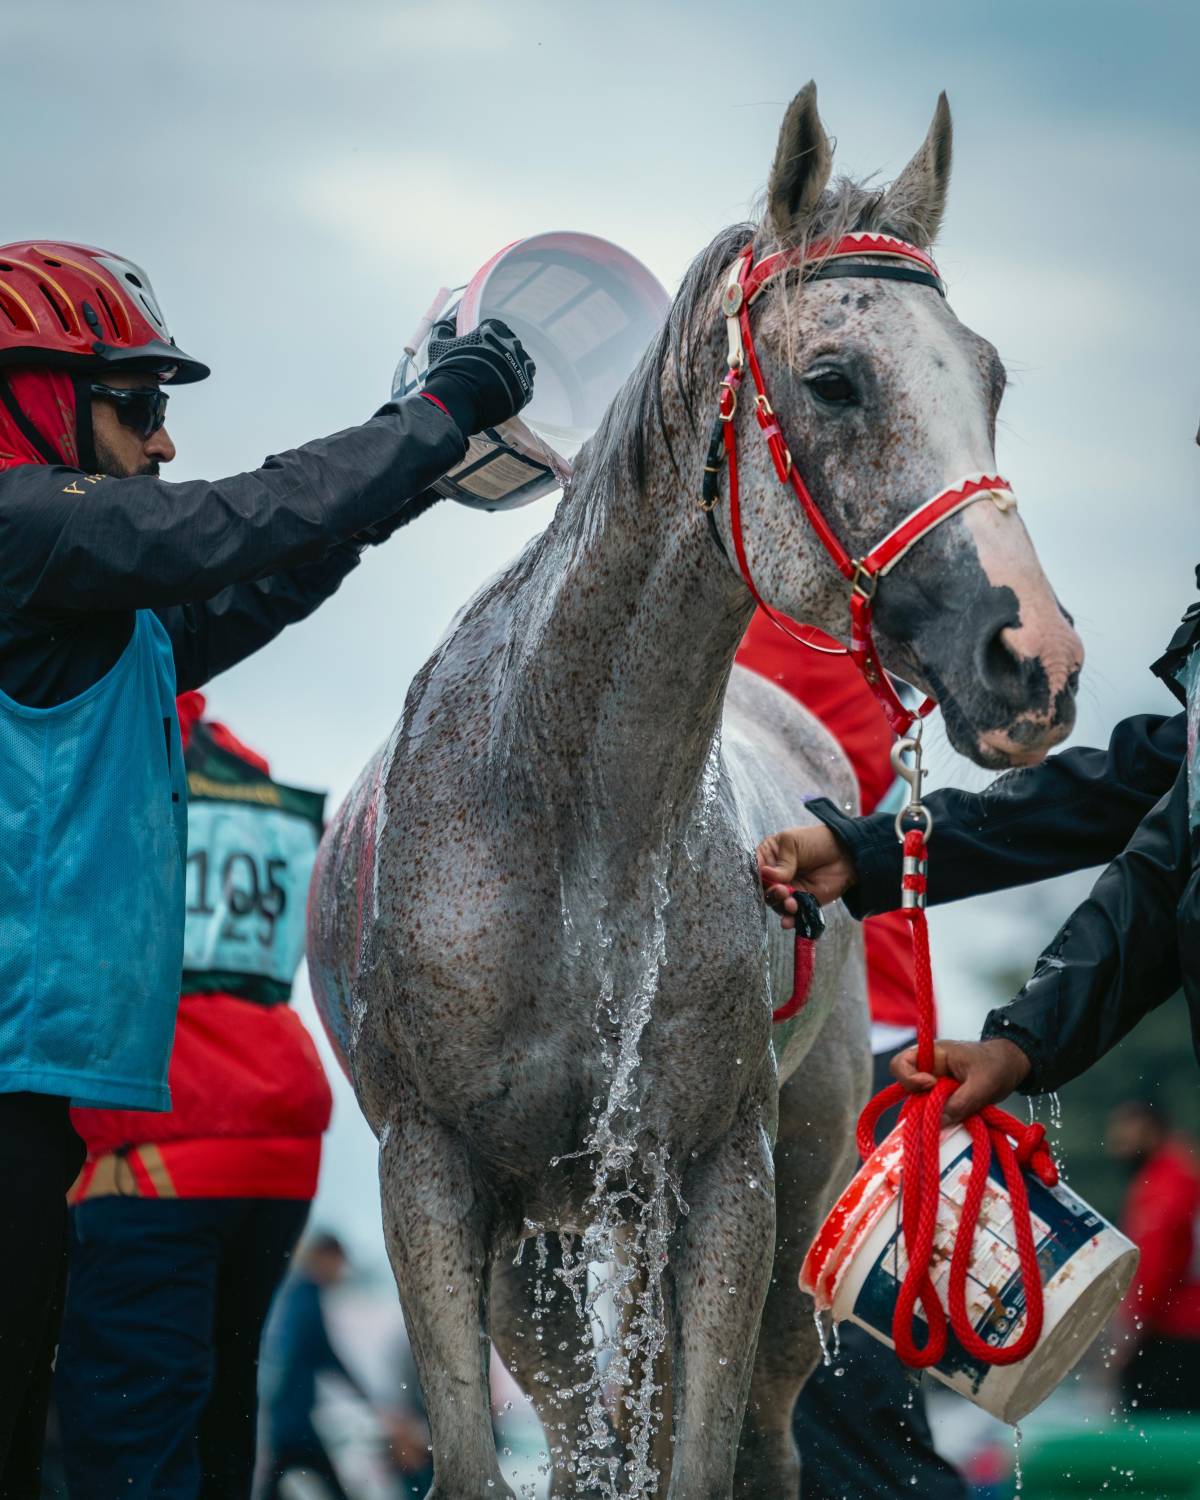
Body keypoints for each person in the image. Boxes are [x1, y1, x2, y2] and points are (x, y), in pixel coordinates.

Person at [0, 239, 533, 1497]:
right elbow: (232, 519)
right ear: (26, 395)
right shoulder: (17, 529)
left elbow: (268, 561)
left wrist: (412, 468)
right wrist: (433, 412)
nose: (163, 442)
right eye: (137, 406)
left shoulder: (90, 605)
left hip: (36, 1100)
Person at [55, 694, 333, 1498]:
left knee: (131, 1438)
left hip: (163, 1137)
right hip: (277, 1137)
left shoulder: (106, 760)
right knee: (218, 1418)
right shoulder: (240, 768)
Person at [736, 612, 966, 1500]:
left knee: (822, 1378)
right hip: (860, 1031)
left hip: (831, 1045)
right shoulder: (847, 637)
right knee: (845, 1374)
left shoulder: (794, 635)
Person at [1107, 1099, 1200, 1412]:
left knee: (1154, 1441)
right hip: (1183, 1326)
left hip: (1175, 1333)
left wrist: (1132, 1329)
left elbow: (1156, 1264)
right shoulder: (1185, 1171)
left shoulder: (1163, 1183)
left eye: (1124, 1139)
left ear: (1149, 1133)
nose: (1117, 1150)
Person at [261, 1234, 366, 1500]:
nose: (340, 1272)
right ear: (324, 1258)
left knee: (276, 1485)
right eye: (338, 1264)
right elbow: (323, 1352)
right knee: (332, 1488)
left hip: (287, 1415)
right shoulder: (305, 1296)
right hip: (294, 1417)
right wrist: (363, 1394)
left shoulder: (298, 1293)